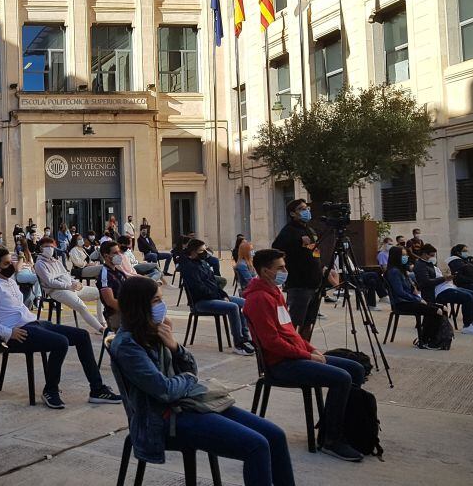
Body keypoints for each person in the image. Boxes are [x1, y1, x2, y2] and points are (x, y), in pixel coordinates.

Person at [109, 276, 295, 486]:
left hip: (190, 404)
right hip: (162, 419)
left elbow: (191, 369)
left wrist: (175, 348)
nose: (161, 306)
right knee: (257, 446)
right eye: (155, 301)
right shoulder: (127, 345)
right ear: (139, 306)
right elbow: (164, 390)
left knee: (275, 436)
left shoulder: (154, 331)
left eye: (161, 300)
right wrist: (188, 380)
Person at [242, 248, 366, 462]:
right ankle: (331, 440)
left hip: (295, 356)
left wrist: (310, 349)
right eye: (280, 267)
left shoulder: (275, 293)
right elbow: (272, 342)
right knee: (341, 378)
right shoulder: (260, 298)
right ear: (265, 271)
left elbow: (289, 331)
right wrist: (306, 356)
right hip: (280, 365)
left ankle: (340, 426)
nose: (285, 271)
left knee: (355, 368)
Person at [0, 247, 122, 409]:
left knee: (82, 335)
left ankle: (97, 389)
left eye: (11, 262)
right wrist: (8, 333)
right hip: (19, 333)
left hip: (34, 324)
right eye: (6, 263)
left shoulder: (8, 281)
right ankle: (50, 390)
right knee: (60, 342)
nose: (11, 266)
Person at [178, 239, 255, 355]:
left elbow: (214, 283)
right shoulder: (188, 267)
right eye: (201, 250)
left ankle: (245, 337)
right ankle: (238, 344)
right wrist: (219, 297)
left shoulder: (202, 263)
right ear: (193, 252)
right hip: (201, 301)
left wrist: (223, 295)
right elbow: (199, 289)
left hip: (214, 296)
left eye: (205, 249)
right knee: (233, 307)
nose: (205, 252)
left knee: (243, 302)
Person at [271, 199, 325, 341]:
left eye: (306, 208)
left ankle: (304, 347)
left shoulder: (309, 229)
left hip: (314, 283)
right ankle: (291, 347)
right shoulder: (288, 231)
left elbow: (314, 251)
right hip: (299, 285)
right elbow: (276, 250)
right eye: (302, 209)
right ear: (292, 213)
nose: (306, 211)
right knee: (294, 322)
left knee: (309, 322)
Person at [34, 236, 105, 334]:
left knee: (100, 293)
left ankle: (103, 322)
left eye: (51, 246)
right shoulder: (40, 264)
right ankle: (101, 329)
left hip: (72, 287)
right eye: (47, 246)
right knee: (82, 306)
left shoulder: (56, 261)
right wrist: (68, 286)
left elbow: (66, 275)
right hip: (58, 290)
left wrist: (75, 282)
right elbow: (50, 281)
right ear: (41, 248)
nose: (50, 249)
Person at [413, 244, 473, 335]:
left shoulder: (430, 264)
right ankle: (467, 326)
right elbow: (426, 282)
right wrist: (444, 278)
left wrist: (448, 276)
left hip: (447, 286)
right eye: (432, 255)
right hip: (438, 292)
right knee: (467, 297)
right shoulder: (420, 265)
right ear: (425, 254)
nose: (433, 257)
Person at [383, 246, 449, 347]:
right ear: (396, 256)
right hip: (402, 303)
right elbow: (400, 292)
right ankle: (426, 340)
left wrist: (415, 289)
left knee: (442, 308)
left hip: (411, 300)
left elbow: (411, 287)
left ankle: (431, 338)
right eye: (403, 255)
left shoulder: (401, 270)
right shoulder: (394, 272)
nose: (405, 257)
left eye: (406, 255)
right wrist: (417, 299)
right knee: (436, 311)